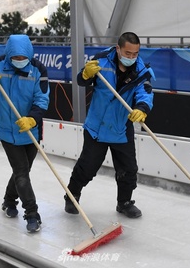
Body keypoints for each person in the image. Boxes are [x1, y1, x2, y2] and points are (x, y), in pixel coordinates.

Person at [64, 32, 154, 218]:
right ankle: (72, 196)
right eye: (127, 53)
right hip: (97, 126)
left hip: (121, 127)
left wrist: (142, 108)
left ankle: (125, 202)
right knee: (87, 167)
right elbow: (82, 80)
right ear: (118, 49)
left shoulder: (141, 71)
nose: (131, 57)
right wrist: (86, 74)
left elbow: (145, 93)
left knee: (128, 169)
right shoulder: (101, 61)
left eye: (135, 54)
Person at [0, 34, 49, 233]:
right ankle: (32, 214)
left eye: (22, 58)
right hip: (7, 131)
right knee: (22, 173)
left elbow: (42, 99)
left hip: (31, 130)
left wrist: (33, 118)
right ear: (9, 55)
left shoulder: (38, 70)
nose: (19, 61)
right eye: (15, 58)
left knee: (22, 171)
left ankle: (9, 201)